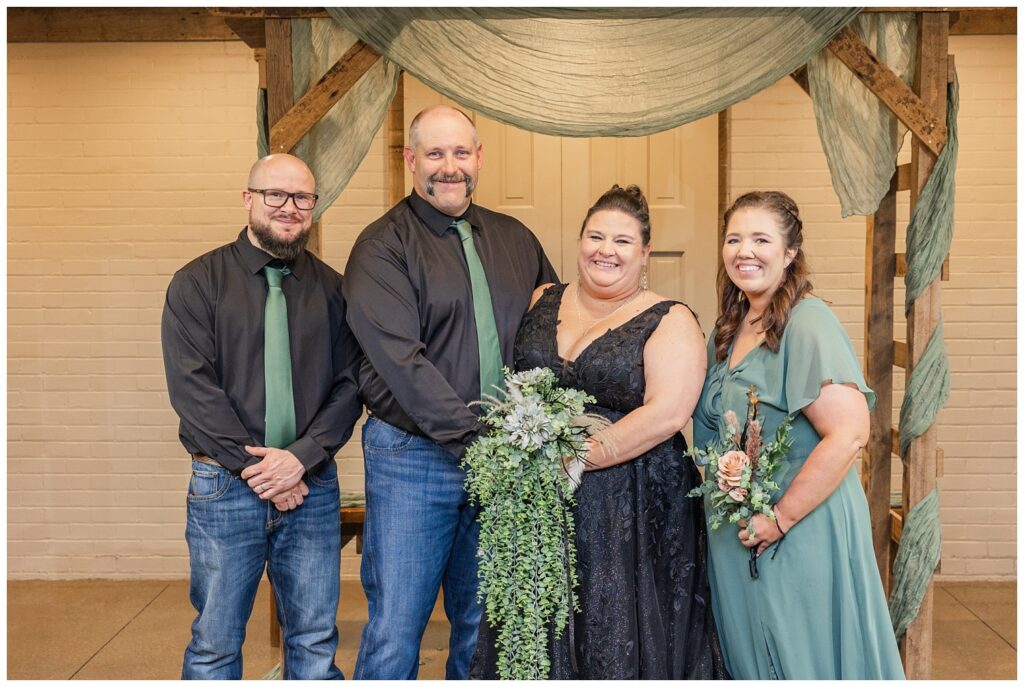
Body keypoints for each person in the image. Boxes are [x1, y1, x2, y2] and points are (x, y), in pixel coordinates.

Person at [472, 184, 729, 679]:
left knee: (613, 627)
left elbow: (668, 414)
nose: (605, 250)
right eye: (595, 236)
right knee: (533, 624)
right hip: (539, 502)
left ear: (645, 252)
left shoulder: (670, 318)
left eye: (623, 241)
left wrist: (574, 458)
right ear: (580, 240)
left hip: (631, 502)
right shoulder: (543, 298)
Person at [343, 105, 558, 680]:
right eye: (434, 154)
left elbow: (551, 334)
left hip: (507, 461)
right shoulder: (381, 247)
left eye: (460, 153)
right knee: (397, 625)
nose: (449, 167)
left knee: (486, 627)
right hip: (415, 458)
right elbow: (400, 364)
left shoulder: (516, 239)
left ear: (479, 159)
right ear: (411, 161)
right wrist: (478, 442)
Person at [161, 154, 362, 680]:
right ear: (248, 198)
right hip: (224, 487)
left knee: (315, 641)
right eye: (276, 194)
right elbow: (193, 390)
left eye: (302, 198)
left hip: (310, 487)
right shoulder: (197, 283)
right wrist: (264, 472)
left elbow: (349, 386)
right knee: (215, 642)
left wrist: (300, 460)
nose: (289, 208)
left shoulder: (335, 290)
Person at [693, 190, 904, 679]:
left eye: (761, 239)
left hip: (797, 530)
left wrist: (780, 519)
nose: (744, 251)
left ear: (789, 254)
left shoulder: (807, 324)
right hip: (739, 533)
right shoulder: (729, 328)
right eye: (734, 239)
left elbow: (849, 433)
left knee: (803, 658)